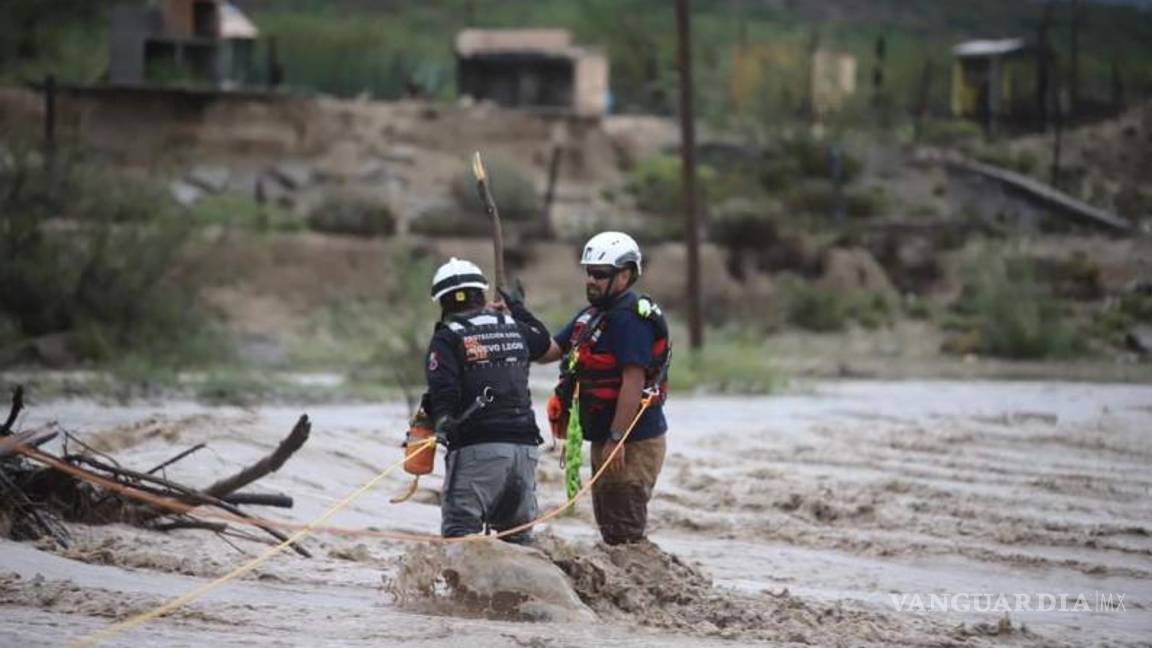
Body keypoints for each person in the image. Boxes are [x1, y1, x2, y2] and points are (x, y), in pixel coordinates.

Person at [539, 232, 671, 545]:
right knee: (611, 530)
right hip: (606, 437)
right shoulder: (593, 315)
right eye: (589, 272)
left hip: (631, 440)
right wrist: (515, 318)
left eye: (600, 274)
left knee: (624, 533)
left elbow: (633, 381)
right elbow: (548, 351)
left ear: (625, 275)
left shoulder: (630, 319)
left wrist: (616, 438)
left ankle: (644, 589)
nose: (592, 280)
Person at [423, 257, 553, 542]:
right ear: (481, 295)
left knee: (461, 537)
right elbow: (543, 341)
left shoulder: (447, 338)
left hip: (478, 450)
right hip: (525, 451)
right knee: (518, 541)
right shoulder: (513, 325)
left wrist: (442, 421)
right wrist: (518, 308)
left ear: (443, 303)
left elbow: (444, 389)